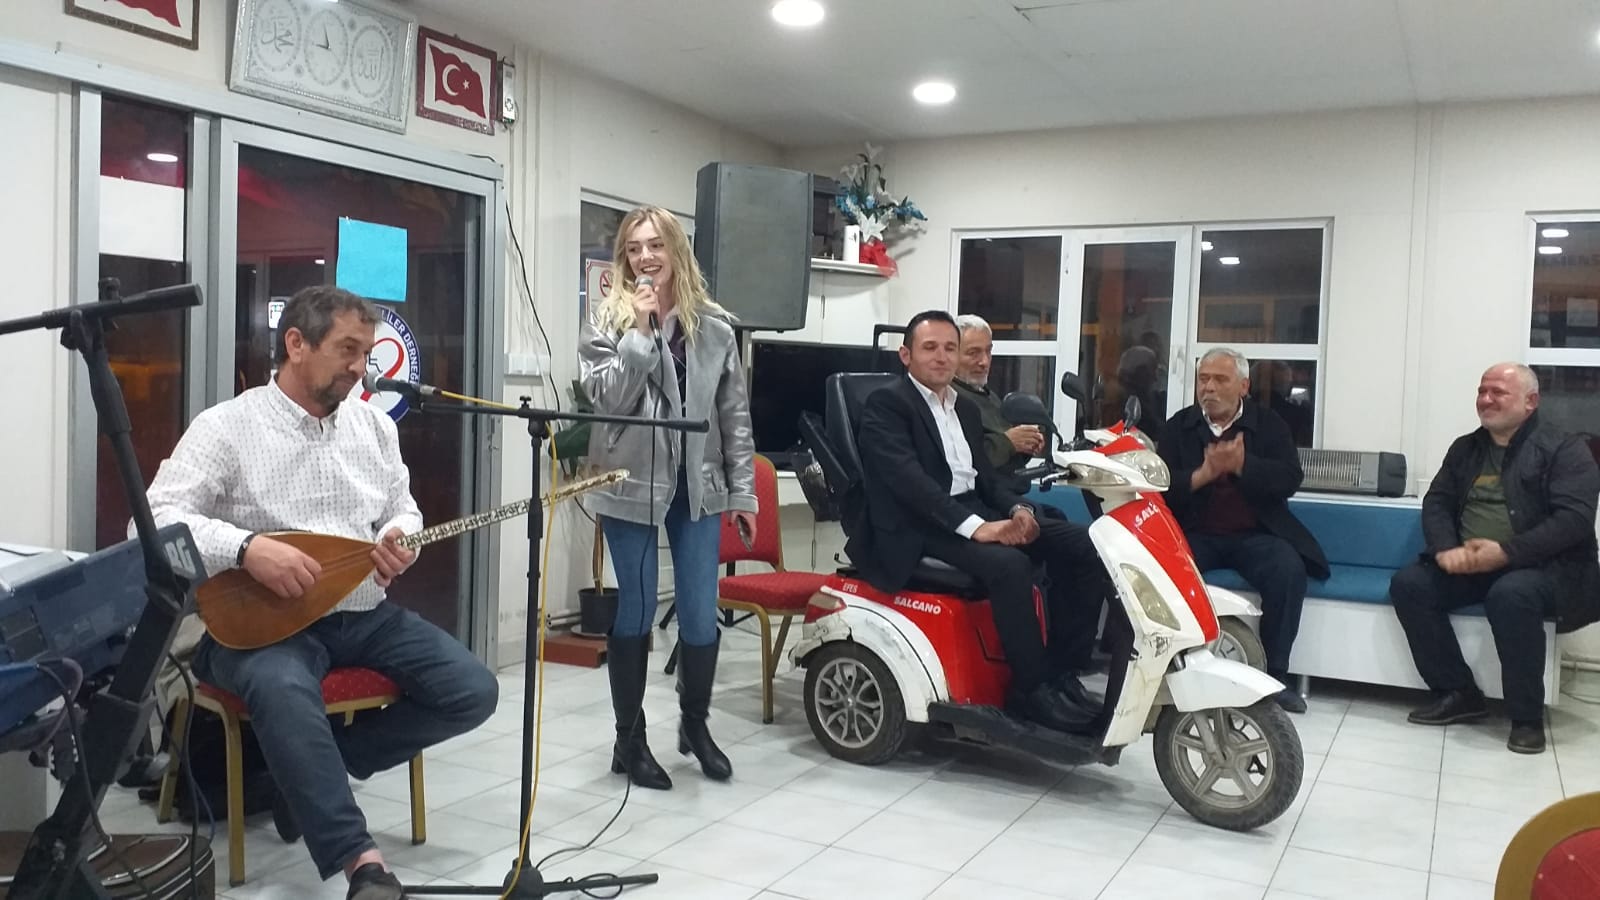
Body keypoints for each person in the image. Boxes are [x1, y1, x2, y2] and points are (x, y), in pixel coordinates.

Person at [145, 286, 499, 900]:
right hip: (262, 626)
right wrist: (248, 549)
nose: (361, 367)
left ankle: (312, 770)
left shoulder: (373, 426)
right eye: (347, 349)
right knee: (284, 690)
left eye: (366, 353)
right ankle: (362, 863)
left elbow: (403, 508)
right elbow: (153, 522)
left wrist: (400, 538)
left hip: (363, 613)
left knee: (473, 690)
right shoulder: (227, 427)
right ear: (296, 344)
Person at [851, 310, 1108, 734]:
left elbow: (987, 482)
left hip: (967, 509)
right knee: (1010, 565)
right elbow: (912, 486)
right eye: (930, 348)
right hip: (915, 525)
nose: (941, 357)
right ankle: (1030, 691)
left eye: (949, 348)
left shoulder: (965, 410)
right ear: (906, 355)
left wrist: (1018, 511)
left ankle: (1061, 672)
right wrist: (980, 528)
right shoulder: (887, 405)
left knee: (1085, 546)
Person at [579, 206, 756, 789]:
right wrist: (638, 332)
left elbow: (734, 417)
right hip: (629, 482)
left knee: (701, 614)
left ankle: (695, 725)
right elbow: (606, 400)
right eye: (633, 249)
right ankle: (629, 740)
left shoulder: (716, 328)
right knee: (635, 609)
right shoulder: (607, 320)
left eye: (654, 245)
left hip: (697, 487)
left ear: (676, 249)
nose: (645, 257)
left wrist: (744, 494)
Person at [1388, 363, 1599, 754]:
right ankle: (1458, 692)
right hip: (1473, 564)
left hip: (1543, 568)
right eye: (1481, 391)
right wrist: (1446, 549)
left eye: (1498, 392)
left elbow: (1574, 520)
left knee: (1511, 595)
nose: (1485, 400)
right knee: (1410, 584)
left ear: (1530, 402)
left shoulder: (1564, 449)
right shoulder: (1466, 448)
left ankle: (1526, 718)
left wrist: (1505, 553)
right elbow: (1438, 502)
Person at [1156, 347, 1328, 713]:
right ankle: (1171, 670)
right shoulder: (1179, 426)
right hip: (1196, 533)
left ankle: (1275, 677)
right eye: (1203, 379)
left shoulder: (1269, 424)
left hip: (1255, 534)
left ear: (1244, 386)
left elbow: (1289, 479)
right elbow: (1160, 488)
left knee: (1288, 570)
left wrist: (1242, 466)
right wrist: (1202, 475)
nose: (1209, 388)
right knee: (1162, 572)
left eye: (1220, 379)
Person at [952, 314, 1045, 486]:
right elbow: (965, 459)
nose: (984, 361)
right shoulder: (949, 399)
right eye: (973, 353)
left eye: (988, 351)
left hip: (1009, 490)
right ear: (951, 355)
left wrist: (1026, 443)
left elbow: (1005, 458)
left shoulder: (986, 395)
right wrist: (1009, 442)